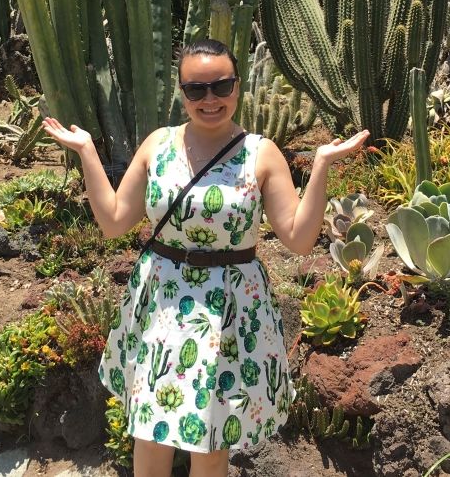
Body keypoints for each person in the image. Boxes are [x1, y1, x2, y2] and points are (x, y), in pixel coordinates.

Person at [42, 39, 369, 477]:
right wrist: (86, 151)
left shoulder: (262, 152)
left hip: (232, 307)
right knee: (151, 430)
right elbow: (115, 220)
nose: (210, 99)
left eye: (221, 85)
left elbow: (298, 237)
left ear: (238, 87)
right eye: (197, 90)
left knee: (212, 438)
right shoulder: (159, 145)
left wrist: (323, 164)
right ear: (181, 92)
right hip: (162, 300)